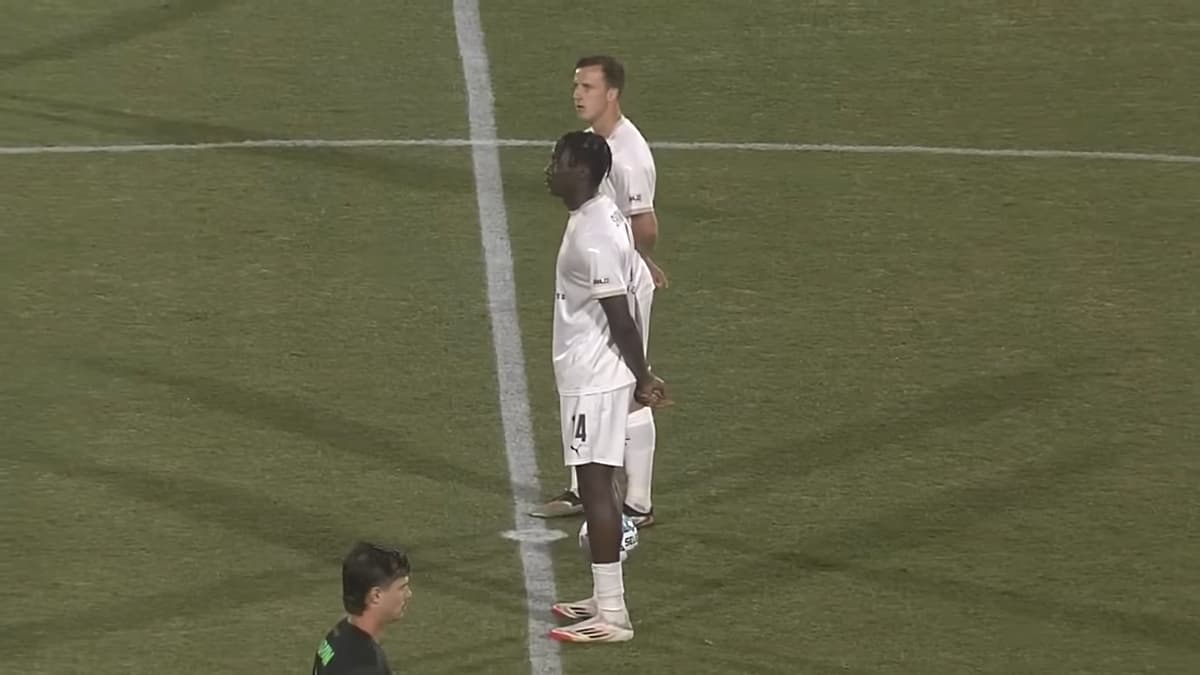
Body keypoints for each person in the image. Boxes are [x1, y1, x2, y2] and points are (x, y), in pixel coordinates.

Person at [542, 130, 671, 643]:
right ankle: (602, 596)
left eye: (560, 160)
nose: (551, 167)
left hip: (594, 379)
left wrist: (644, 376)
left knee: (595, 486)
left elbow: (621, 316)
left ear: (583, 171)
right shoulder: (600, 215)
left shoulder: (593, 235)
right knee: (603, 483)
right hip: (600, 373)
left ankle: (613, 614)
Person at [532, 55, 665, 529]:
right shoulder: (593, 146)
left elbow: (644, 222)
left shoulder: (629, 154)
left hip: (620, 285)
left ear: (612, 93)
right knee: (598, 380)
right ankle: (581, 483)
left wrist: (637, 261)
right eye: (576, 85)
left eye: (587, 86)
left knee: (628, 385)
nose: (578, 94)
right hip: (602, 277)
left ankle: (638, 501)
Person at [312, 542, 412, 674]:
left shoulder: (341, 632)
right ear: (376, 596)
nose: (409, 594)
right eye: (402, 587)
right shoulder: (365, 667)